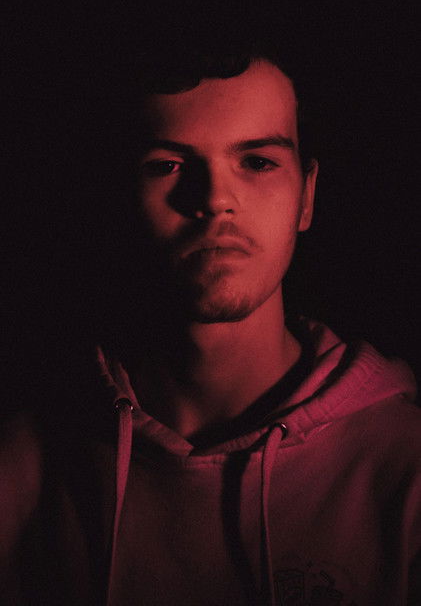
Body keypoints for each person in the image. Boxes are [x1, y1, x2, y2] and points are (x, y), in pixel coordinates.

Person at [1, 48, 420, 606]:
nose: (216, 199)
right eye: (166, 165)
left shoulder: (406, 467)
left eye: (258, 162)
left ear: (307, 196)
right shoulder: (25, 467)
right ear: (119, 195)